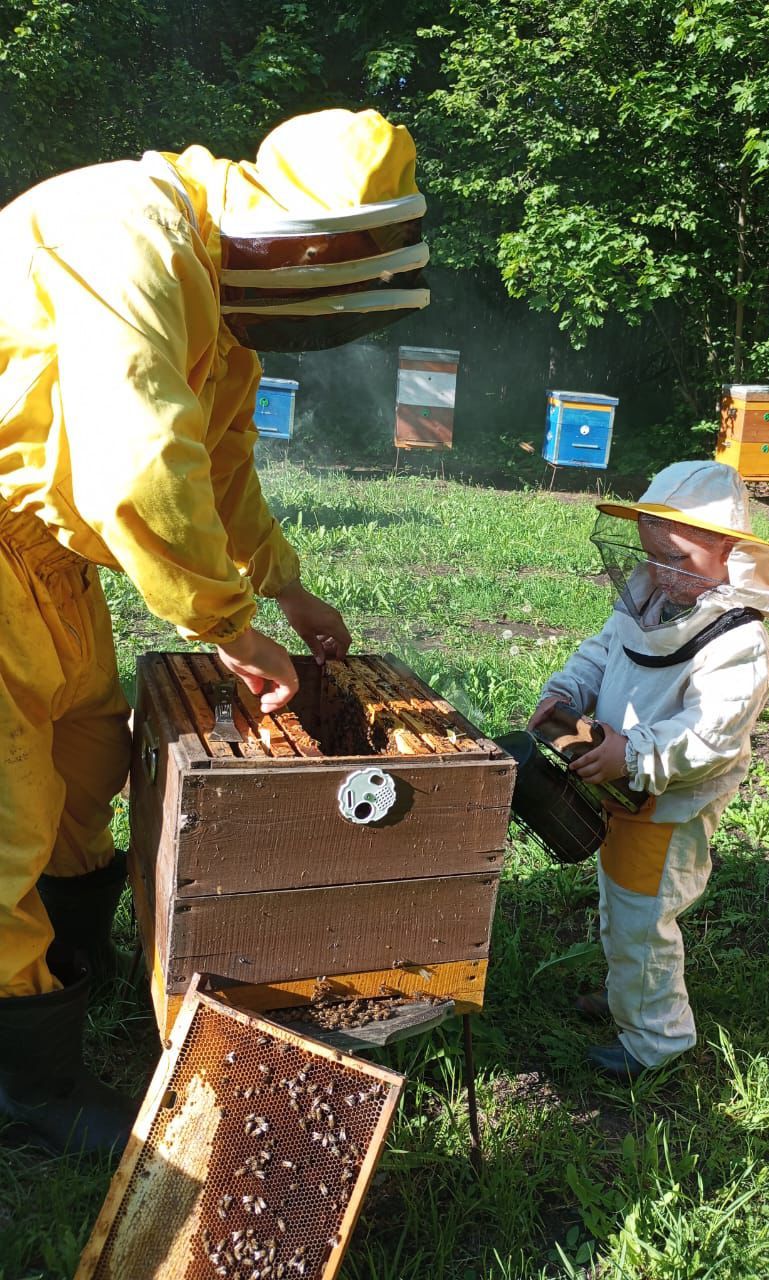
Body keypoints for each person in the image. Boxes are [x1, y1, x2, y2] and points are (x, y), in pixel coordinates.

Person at [0, 108, 429, 1152]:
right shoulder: (128, 234)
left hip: (47, 565)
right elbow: (140, 464)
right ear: (308, 244)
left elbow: (219, 462)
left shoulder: (212, 288)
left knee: (84, 755)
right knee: (3, 813)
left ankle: (64, 976)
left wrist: (285, 590)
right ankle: (25, 1090)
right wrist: (231, 628)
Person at [529, 461, 769, 1081]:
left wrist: (636, 753)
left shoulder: (737, 641)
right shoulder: (648, 590)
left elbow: (712, 735)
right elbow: (601, 652)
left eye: (679, 561)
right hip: (618, 786)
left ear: (728, 550)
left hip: (664, 808)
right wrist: (565, 693)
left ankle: (654, 1041)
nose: (663, 575)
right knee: (620, 909)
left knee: (642, 925)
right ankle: (630, 998)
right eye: (652, 557)